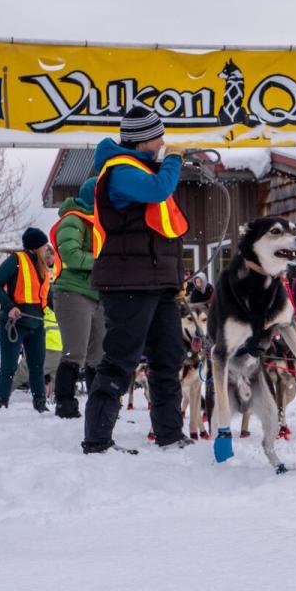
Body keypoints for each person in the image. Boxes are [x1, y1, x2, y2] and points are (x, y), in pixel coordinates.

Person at [81, 106, 192, 454]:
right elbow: (159, 190)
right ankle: (97, 441)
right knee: (120, 360)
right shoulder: (120, 171)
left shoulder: (139, 168)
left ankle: (170, 435)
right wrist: (173, 160)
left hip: (157, 282)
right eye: (159, 136)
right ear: (144, 139)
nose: (163, 142)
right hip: (128, 283)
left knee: (169, 357)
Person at [50, 177, 105, 419]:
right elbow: (71, 255)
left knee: (98, 355)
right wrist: (103, 263)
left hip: (96, 294)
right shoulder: (72, 219)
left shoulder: (100, 224)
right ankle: (65, 404)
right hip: (72, 292)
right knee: (75, 352)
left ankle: (97, 404)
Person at [0, 228, 53, 412]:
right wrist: (9, 307)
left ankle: (40, 405)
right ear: (36, 246)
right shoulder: (16, 260)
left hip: (37, 324)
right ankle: (0, 403)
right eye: (44, 245)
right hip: (15, 323)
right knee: (8, 367)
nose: (46, 249)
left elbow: (48, 297)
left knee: (37, 367)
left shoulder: (44, 267)